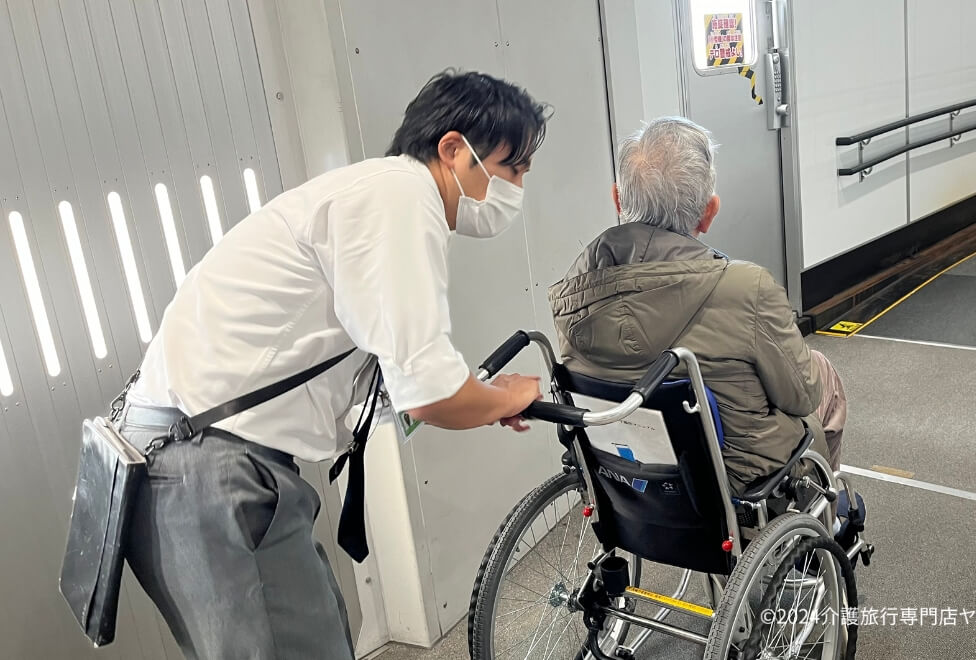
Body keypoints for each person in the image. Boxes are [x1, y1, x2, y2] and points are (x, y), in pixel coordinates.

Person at [116, 70, 549, 659]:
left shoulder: (371, 193)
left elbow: (403, 370)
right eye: (513, 168)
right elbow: (428, 391)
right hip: (210, 467)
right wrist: (503, 397)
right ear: (454, 150)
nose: (518, 186)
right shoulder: (403, 198)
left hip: (196, 459)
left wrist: (478, 395)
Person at [547, 117, 847, 495]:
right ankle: (826, 506)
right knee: (822, 377)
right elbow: (802, 397)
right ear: (709, 211)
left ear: (618, 200)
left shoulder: (572, 289)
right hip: (732, 475)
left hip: (625, 469)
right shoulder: (744, 288)